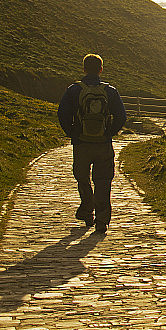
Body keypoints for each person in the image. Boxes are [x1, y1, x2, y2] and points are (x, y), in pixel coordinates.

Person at [57, 53, 127, 233]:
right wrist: (109, 132)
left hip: (82, 143)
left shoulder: (74, 90)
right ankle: (102, 220)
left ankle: (87, 210)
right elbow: (121, 116)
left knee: (82, 178)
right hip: (103, 144)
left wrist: (72, 133)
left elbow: (62, 114)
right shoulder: (110, 91)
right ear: (101, 70)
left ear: (84, 69)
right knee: (103, 181)